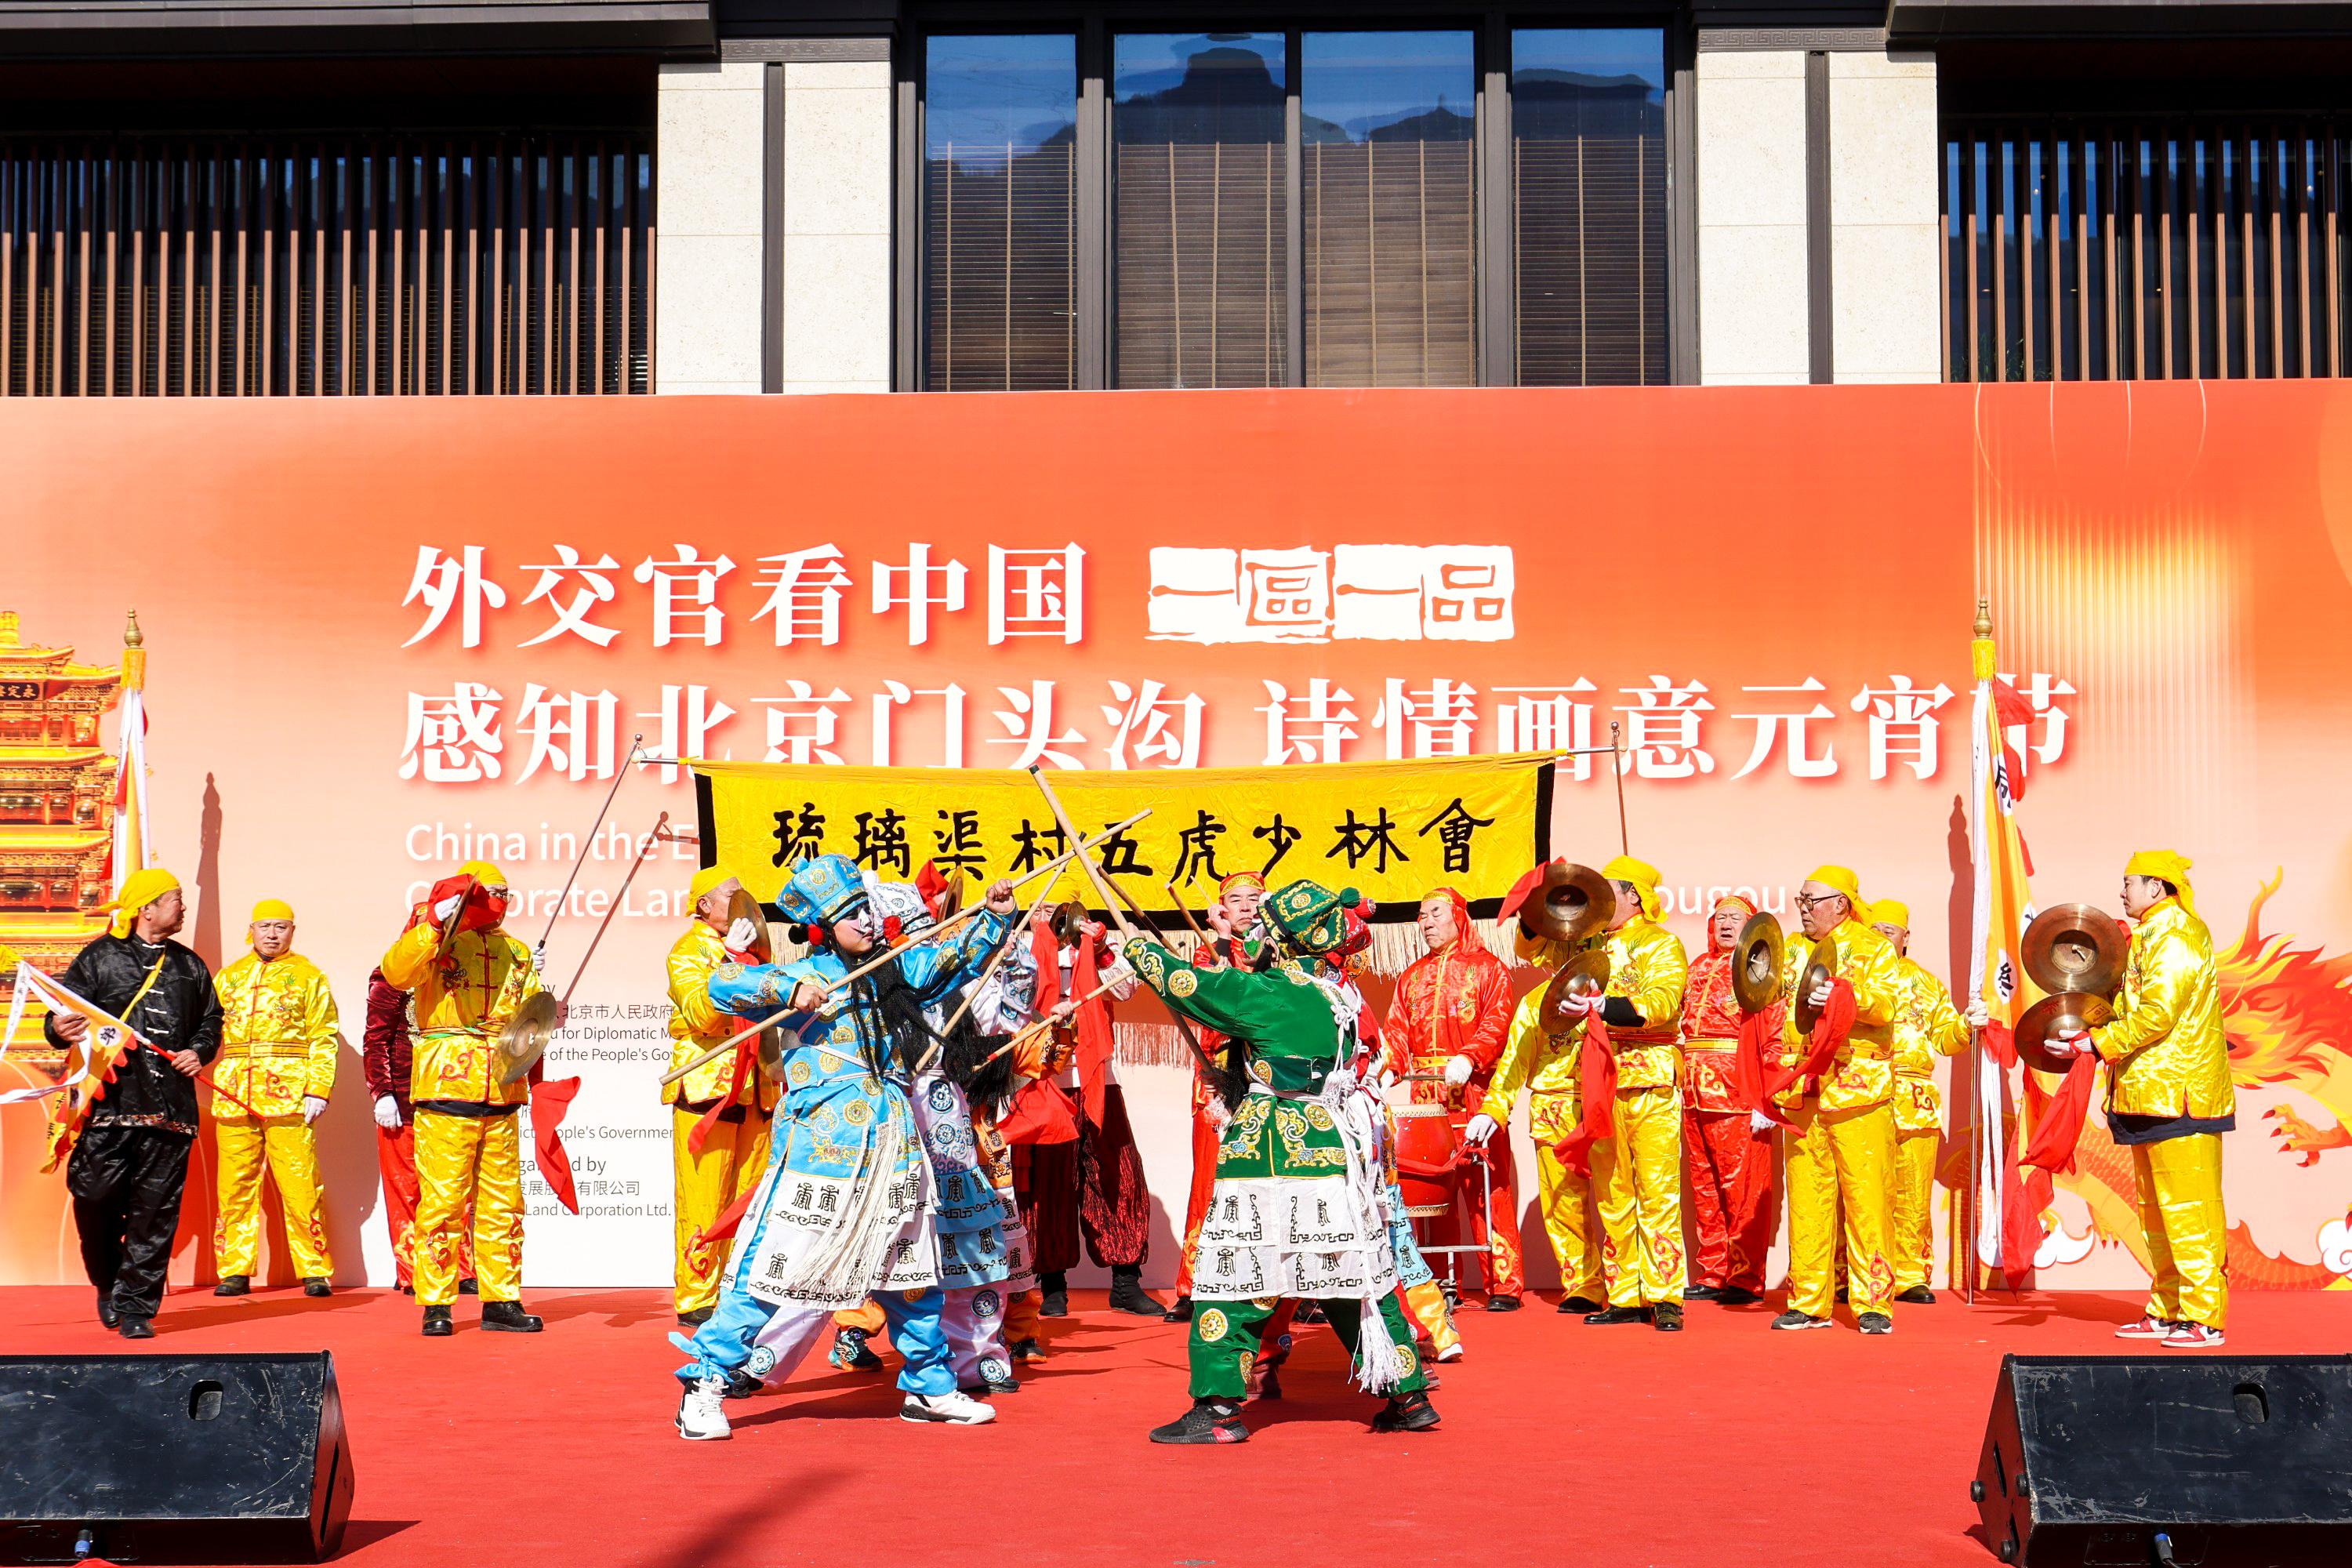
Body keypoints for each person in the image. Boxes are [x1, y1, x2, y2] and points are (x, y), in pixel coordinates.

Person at [670, 854, 1015, 1440]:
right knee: (770, 1277)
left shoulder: (893, 970)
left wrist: (994, 919)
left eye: (868, 911)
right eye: (852, 916)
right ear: (826, 928)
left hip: (893, 1149)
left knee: (909, 1275)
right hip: (820, 1157)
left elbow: (950, 963)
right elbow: (723, 984)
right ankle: (705, 1386)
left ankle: (930, 1388)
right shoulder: (809, 976)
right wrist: (790, 987)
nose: (867, 922)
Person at [1127, 877, 1436, 1445]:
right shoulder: (1337, 994)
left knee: (1233, 1280)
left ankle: (1218, 1409)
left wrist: (1138, 947)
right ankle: (1407, 1393)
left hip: (1271, 1158)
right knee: (1346, 1279)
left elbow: (1186, 986)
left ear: (1285, 940)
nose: (1257, 938)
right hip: (1329, 1150)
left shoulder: (1275, 993)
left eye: (1266, 931)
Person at [1490, 856, 1690, 1331]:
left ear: (1633, 896)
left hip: (1650, 1081)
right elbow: (1536, 950)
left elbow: (1663, 1004)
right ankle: (1624, 1294)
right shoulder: (1587, 943)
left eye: (1608, 892)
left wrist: (1606, 1006)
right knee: (1613, 1191)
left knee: (1658, 1191)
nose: (1598, 901)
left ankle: (1665, 1296)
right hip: (1598, 1083)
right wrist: (1538, 902)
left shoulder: (1661, 944)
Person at [2060, 851, 2231, 1348]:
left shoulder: (2176, 934)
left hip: (2182, 1096)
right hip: (2147, 1093)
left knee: (2188, 1212)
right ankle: (2169, 1309)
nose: (2122, 892)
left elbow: (2157, 1014)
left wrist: (2097, 1043)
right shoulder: (2153, 935)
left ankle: (2204, 1317)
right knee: (2156, 1211)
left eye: (2128, 883)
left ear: (2156, 888)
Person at [45, 868, 222, 1338]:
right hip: (108, 1107)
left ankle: (136, 1307)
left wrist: (198, 1050)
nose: (182, 907)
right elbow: (64, 1012)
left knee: (155, 1213)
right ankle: (107, 1282)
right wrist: (56, 1028)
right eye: (176, 899)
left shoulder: (190, 965)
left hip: (170, 1112)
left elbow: (210, 1019)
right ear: (147, 908)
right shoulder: (99, 958)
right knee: (94, 1197)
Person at [379, 860, 547, 1338]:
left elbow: (528, 1021)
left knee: (504, 1200)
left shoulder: (515, 950)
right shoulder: (438, 937)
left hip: (502, 1085)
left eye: (507, 894)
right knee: (444, 1200)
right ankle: (436, 1301)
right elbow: (396, 973)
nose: (502, 902)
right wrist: (434, 923)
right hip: (447, 1081)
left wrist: (545, 1007)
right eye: (493, 893)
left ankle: (502, 1299)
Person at [1768, 866, 1906, 1335]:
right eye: (1800, 901)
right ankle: (1808, 1301)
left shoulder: (1871, 949)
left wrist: (1844, 995)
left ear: (1841, 904)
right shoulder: (1791, 952)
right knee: (1808, 1201)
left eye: (1811, 901)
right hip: (1803, 1090)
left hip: (1857, 1090)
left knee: (1867, 1200)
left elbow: (1886, 1006)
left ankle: (1874, 1303)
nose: (1802, 910)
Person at [1378, 885, 1519, 1310]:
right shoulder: (1412, 976)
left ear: (1458, 915)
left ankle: (1504, 1284)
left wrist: (1471, 1056)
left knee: (1486, 1186)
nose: (1427, 922)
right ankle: (1440, 1283)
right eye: (1422, 916)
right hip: (1426, 1095)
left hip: (1471, 1089)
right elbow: (1397, 1033)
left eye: (1435, 913)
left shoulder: (1489, 968)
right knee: (1432, 1189)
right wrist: (1386, 1070)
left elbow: (1499, 1023)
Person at [1021, 906, 1156, 1319]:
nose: (1054, 917)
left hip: (1098, 1078)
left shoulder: (1097, 947)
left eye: (1062, 910)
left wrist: (1099, 948)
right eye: (1045, 909)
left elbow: (1126, 991)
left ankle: (1126, 1282)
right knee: (1049, 1184)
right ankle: (1054, 1286)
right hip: (1044, 1081)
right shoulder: (1022, 948)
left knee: (1117, 1176)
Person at [663, 864, 778, 1328]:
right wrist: (730, 961)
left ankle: (736, 1288)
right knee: (705, 1196)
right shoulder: (687, 951)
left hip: (756, 1087)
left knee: (749, 1195)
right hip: (708, 1085)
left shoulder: (757, 954)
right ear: (704, 905)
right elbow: (700, 1015)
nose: (742, 901)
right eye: (731, 895)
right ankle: (696, 1297)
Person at [209, 900, 339, 1298]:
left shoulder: (309, 977)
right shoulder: (228, 978)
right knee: (233, 1186)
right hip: (233, 1091)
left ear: (292, 932)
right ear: (251, 929)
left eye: (280, 927)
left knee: (300, 1184)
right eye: (264, 926)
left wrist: (319, 1088)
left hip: (291, 1093)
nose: (271, 934)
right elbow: (205, 1030)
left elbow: (324, 1036)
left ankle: (314, 1269)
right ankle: (234, 1269)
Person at [1168, 870, 1269, 1323]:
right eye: (1237, 900)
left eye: (1255, 898)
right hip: (1216, 1078)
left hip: (1267, 1081)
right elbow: (1209, 1003)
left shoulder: (1276, 952)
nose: (1247, 907)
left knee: (1270, 1179)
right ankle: (1194, 1284)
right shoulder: (1207, 954)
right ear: (1220, 910)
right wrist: (1223, 945)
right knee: (1209, 1179)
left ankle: (1286, 1286)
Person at [1867, 898, 1968, 1305]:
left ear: (1905, 937)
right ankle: (1853, 1274)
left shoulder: (1925, 982)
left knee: (1913, 1192)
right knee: (1863, 1189)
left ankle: (1910, 1274)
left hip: (1914, 1097)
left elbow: (1945, 1038)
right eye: (1872, 932)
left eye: (1888, 932)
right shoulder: (1852, 980)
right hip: (1863, 1092)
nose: (1880, 939)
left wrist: (1967, 1026)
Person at [1680, 894, 1773, 1305]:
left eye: (1735, 918)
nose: (1726, 924)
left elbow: (1771, 1033)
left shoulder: (1760, 969)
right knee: (1705, 1184)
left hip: (1737, 1089)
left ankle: (1745, 1276)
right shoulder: (1698, 967)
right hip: (1693, 1088)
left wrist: (1765, 1095)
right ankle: (1713, 1270)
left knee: (1743, 1187)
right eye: (1720, 918)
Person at [363, 966, 473, 1295]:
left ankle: (460, 1269)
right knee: (406, 1188)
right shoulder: (393, 972)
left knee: (454, 1189)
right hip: (404, 1099)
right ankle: (413, 1269)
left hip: (452, 1093)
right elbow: (376, 1037)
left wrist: (525, 975)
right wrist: (382, 1093)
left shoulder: (460, 968)